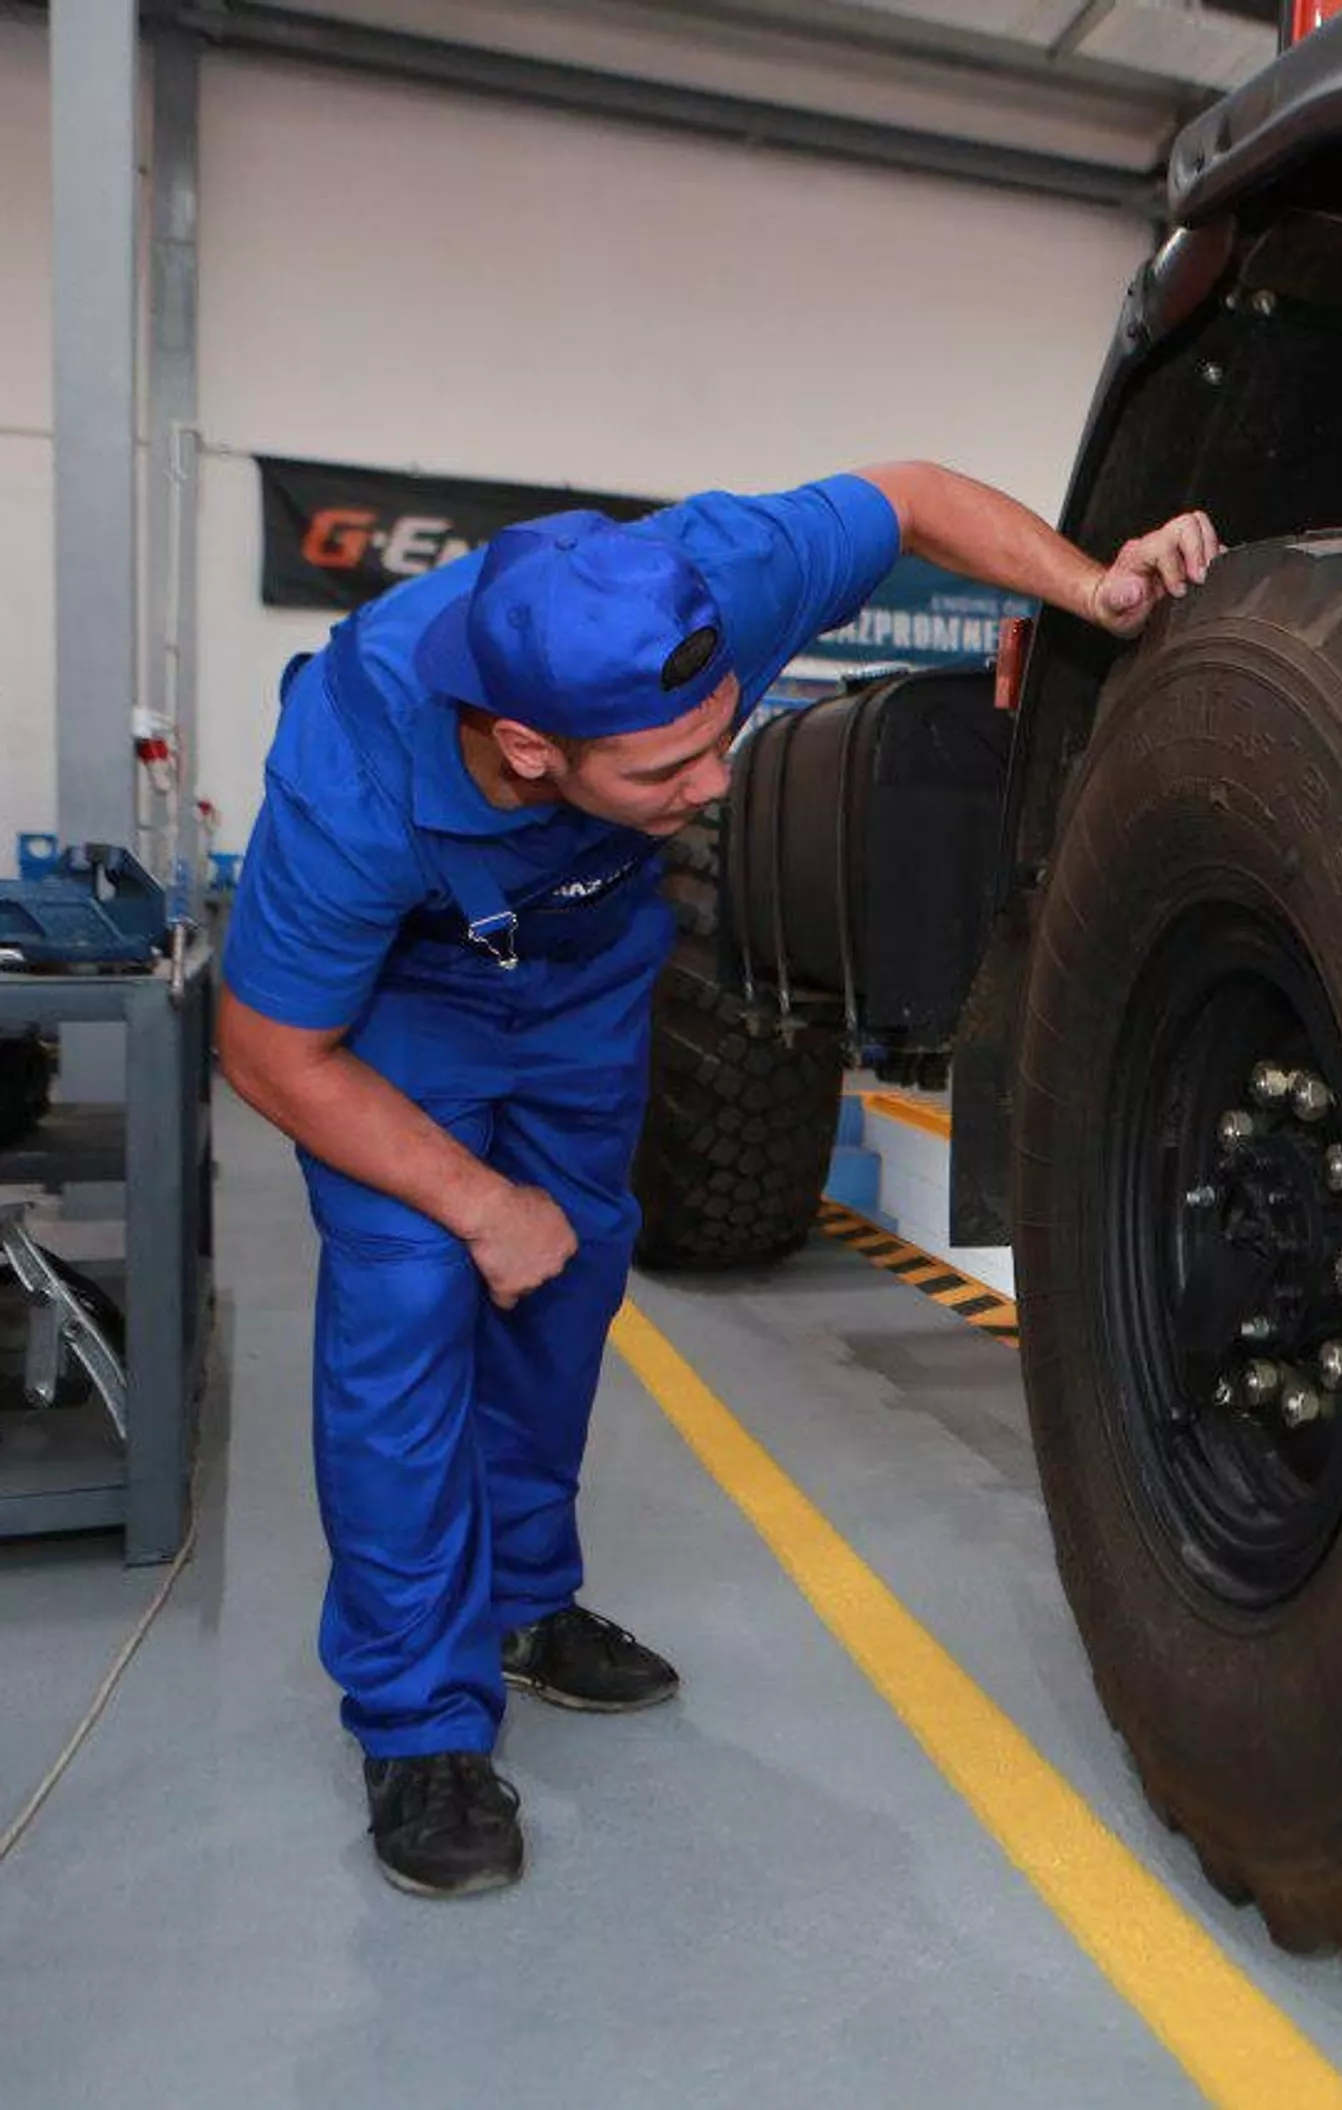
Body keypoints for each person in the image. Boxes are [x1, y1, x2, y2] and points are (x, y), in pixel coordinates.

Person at [218, 462, 1221, 1898]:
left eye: (719, 738)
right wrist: (478, 1199)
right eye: (668, 774)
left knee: (569, 1280)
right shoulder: (354, 775)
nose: (717, 786)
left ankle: (524, 1604)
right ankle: (419, 1725)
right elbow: (270, 1051)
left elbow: (907, 496)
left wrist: (1089, 586)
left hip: (581, 981)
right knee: (410, 1303)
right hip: (403, 1008)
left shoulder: (709, 582)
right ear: (527, 745)